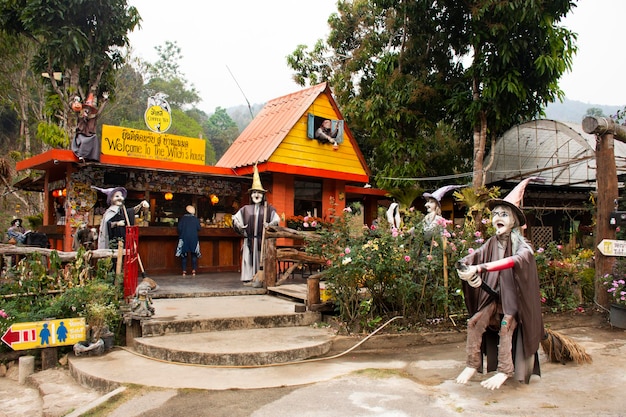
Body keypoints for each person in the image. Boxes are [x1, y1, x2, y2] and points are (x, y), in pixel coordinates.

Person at [455, 177, 544, 390]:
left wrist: (481, 269)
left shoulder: (524, 247)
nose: (497, 218)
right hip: (494, 299)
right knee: (474, 322)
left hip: (514, 304)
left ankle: (505, 370)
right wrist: (465, 269)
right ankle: (471, 364)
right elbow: (473, 257)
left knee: (506, 327)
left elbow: (513, 262)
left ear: (513, 220)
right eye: (495, 214)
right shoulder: (492, 242)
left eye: (504, 214)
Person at [232, 165, 280, 284]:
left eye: (259, 192)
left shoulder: (268, 209)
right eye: (254, 192)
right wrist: (240, 226)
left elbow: (277, 220)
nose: (256, 195)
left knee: (262, 259)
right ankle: (248, 278)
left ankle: (262, 279)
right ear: (251, 195)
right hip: (249, 240)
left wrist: (269, 225)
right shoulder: (245, 209)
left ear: (263, 195)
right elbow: (235, 219)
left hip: (262, 240)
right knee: (248, 260)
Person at [91, 186, 149, 250]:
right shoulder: (109, 212)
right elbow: (107, 224)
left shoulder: (121, 210)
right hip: (112, 240)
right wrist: (116, 223)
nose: (120, 198)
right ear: (111, 199)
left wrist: (141, 204)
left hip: (122, 239)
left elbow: (131, 211)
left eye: (121, 196)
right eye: (117, 196)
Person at [71, 92, 108, 162]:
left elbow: (99, 112)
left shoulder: (93, 119)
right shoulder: (80, 117)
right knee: (83, 141)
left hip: (90, 136)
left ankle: (93, 157)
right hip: (81, 136)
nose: (87, 111)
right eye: (86, 109)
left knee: (94, 138)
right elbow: (76, 109)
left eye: (89, 110)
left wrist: (105, 101)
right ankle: (80, 155)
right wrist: (76, 101)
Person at [176, 205, 201, 277]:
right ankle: (194, 271)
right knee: (194, 254)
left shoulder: (182, 219)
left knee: (184, 255)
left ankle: (184, 271)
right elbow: (199, 228)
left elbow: (179, 229)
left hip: (184, 238)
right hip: (194, 238)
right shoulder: (195, 219)